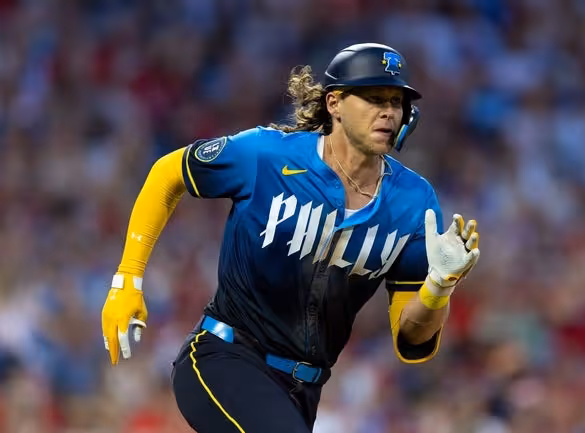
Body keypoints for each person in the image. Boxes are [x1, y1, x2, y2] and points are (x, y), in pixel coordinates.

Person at [101, 43, 480, 433]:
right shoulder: (267, 155)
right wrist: (128, 279)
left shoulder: (414, 202)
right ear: (334, 103)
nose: (388, 111)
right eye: (373, 98)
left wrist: (439, 285)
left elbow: (411, 338)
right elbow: (168, 173)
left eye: (396, 101)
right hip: (224, 356)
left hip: (302, 391)